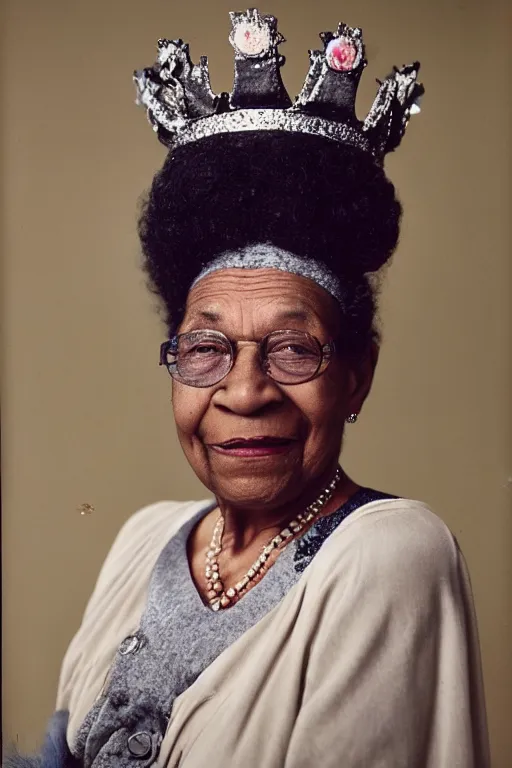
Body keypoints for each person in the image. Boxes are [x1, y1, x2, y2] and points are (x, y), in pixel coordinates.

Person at [5, 8, 490, 768]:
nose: (245, 390)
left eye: (294, 348)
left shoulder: (391, 554)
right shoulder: (145, 539)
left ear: (357, 374)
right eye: (206, 348)